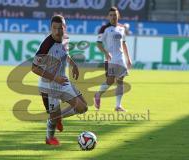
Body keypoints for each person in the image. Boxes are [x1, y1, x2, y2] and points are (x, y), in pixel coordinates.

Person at [31, 15, 88, 146]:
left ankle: (57, 117)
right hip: (49, 85)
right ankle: (49, 138)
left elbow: (65, 54)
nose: (57, 31)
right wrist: (55, 77)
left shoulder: (65, 39)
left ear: (65, 28)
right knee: (53, 118)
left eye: (60, 28)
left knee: (83, 108)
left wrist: (73, 64)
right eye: (54, 28)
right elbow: (34, 68)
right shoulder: (46, 45)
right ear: (50, 28)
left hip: (63, 81)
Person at [94, 7, 132, 112]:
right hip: (111, 59)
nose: (113, 17)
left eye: (115, 15)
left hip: (121, 58)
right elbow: (98, 43)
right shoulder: (104, 28)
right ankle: (98, 94)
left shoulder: (122, 28)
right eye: (111, 15)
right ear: (108, 16)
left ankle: (118, 106)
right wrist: (106, 53)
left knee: (120, 81)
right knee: (110, 81)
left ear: (118, 15)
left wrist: (128, 58)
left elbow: (124, 43)